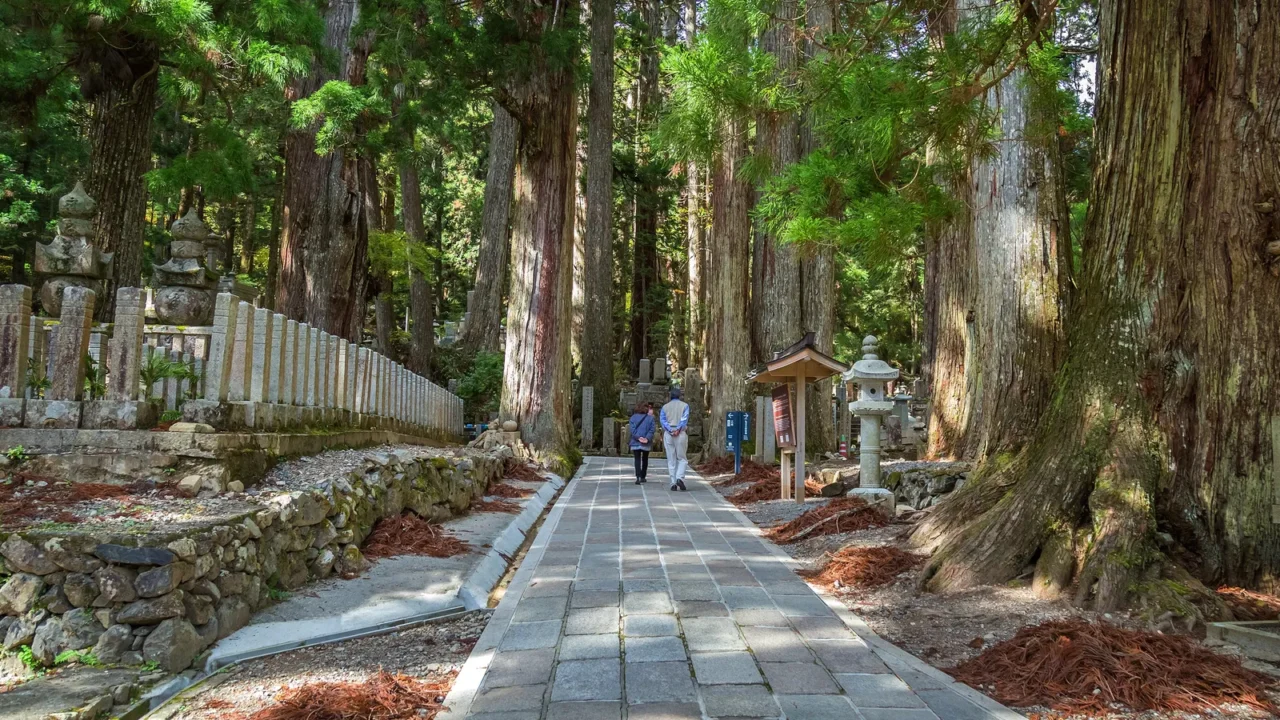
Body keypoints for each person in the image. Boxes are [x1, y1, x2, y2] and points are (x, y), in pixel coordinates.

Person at [660, 387, 690, 491]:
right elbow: (684, 419)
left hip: (669, 434)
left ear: (670, 396)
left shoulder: (665, 407)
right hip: (680, 433)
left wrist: (669, 430)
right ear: (680, 396)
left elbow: (663, 421)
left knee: (671, 459)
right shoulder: (685, 406)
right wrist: (678, 429)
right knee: (682, 458)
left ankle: (673, 482)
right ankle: (679, 477)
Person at [628, 402, 656, 485]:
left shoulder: (633, 418)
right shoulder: (650, 418)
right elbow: (652, 429)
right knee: (645, 459)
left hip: (635, 441)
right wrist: (646, 438)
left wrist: (638, 437)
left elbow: (632, 430)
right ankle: (643, 476)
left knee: (637, 459)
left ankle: (637, 476)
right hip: (646, 442)